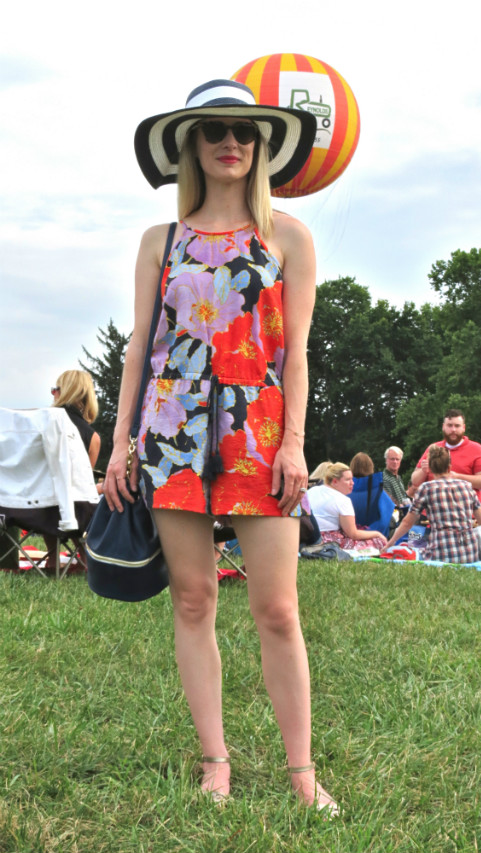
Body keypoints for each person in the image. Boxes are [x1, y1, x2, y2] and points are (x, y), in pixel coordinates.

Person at [103, 79, 337, 815]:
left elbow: (296, 352)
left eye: (244, 131)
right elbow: (140, 348)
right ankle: (216, 763)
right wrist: (119, 443)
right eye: (212, 130)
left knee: (276, 608)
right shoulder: (160, 242)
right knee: (195, 597)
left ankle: (302, 772)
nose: (229, 141)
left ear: (262, 145)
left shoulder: (289, 237)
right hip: (170, 432)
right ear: (191, 147)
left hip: (261, 434)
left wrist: (295, 442)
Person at [384, 446, 481, 561]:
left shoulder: (426, 488)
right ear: (449, 467)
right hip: (469, 553)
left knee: (410, 547)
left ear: (431, 469)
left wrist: (390, 543)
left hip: (440, 552)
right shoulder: (467, 486)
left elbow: (407, 522)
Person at [45, 370, 102, 569]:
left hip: (30, 511)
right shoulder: (92, 437)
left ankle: (52, 558)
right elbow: (83, 487)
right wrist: (102, 488)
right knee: (80, 498)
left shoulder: (41, 426)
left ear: (65, 393)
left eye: (55, 390)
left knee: (49, 494)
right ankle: (84, 557)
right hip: (72, 514)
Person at [409, 409, 481, 501]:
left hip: (464, 509)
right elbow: (415, 482)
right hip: (431, 508)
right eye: (449, 425)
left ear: (463, 428)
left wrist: (457, 477)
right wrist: (423, 471)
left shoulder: (476, 449)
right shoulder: (433, 448)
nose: (453, 430)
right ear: (443, 427)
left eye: (457, 426)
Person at [307, 463, 388, 550]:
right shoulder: (343, 500)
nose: (352, 483)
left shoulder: (312, 490)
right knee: (379, 541)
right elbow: (353, 534)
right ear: (335, 481)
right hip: (327, 541)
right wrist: (377, 533)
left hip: (308, 537)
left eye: (352, 479)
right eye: (348, 480)